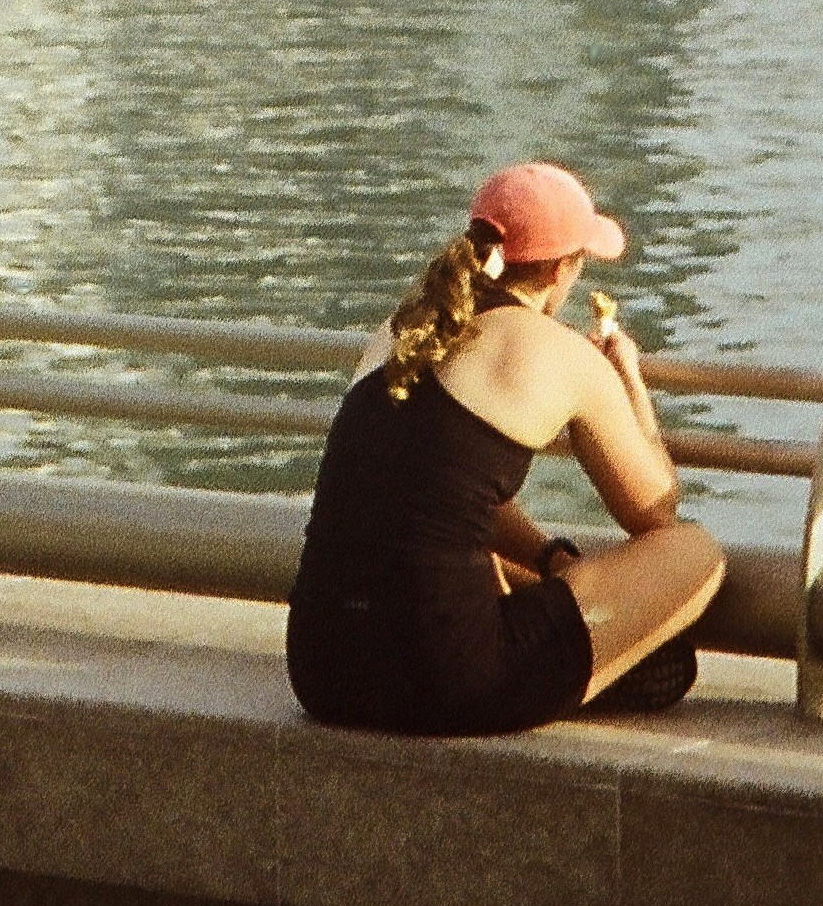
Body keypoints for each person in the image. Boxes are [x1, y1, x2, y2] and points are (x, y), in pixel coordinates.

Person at [283, 160, 727, 733]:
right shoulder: (563, 353)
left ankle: (575, 659)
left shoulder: (403, 332)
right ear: (563, 270)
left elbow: (437, 491)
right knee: (695, 551)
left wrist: (550, 559)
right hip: (449, 682)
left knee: (459, 540)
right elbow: (655, 509)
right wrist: (629, 381)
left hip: (323, 670)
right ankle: (589, 670)